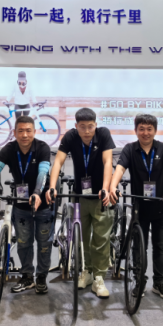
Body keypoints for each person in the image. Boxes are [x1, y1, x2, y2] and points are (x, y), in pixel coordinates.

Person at [0, 116, 52, 294]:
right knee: (24, 243)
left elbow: (43, 172)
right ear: (14, 132)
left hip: (42, 203)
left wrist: (37, 192)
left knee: (44, 244)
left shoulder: (42, 148)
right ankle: (27, 277)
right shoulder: (9, 149)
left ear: (34, 131)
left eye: (28, 131)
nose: (24, 135)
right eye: (20, 131)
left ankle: (41, 277)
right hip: (21, 204)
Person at [109, 114, 163, 299]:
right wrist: (113, 186)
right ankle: (139, 282)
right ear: (136, 130)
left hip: (161, 206)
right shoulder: (130, 149)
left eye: (149, 129)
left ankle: (159, 283)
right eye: (141, 129)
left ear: (155, 130)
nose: (145, 133)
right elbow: (120, 169)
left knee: (160, 247)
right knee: (139, 247)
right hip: (139, 207)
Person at [49, 108, 115, 298]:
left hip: (100, 196)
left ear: (96, 125)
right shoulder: (70, 137)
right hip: (79, 196)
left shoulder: (103, 134)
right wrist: (52, 186)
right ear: (76, 126)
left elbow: (108, 162)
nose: (87, 131)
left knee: (101, 239)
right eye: (82, 127)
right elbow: (58, 162)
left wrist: (105, 188)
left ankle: (99, 277)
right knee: (81, 237)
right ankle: (86, 271)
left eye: (90, 126)